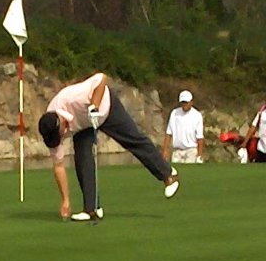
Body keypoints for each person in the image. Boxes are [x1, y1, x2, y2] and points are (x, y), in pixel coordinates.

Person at [37, 72, 178, 222]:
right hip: (83, 125)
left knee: (133, 140)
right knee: (82, 158)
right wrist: (65, 200)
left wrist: (94, 106)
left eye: (61, 133)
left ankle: (168, 175)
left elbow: (101, 79)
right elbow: (58, 166)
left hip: (106, 108)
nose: (62, 136)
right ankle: (92, 209)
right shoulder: (51, 130)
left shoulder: (73, 98)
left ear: (61, 120)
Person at [162, 90, 205, 164]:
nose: (184, 105)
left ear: (191, 102)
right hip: (177, 151)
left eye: (186, 102)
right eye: (183, 102)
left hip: (191, 150)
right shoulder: (174, 113)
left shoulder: (197, 115)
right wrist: (165, 150)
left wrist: (199, 155)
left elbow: (200, 137)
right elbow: (169, 133)